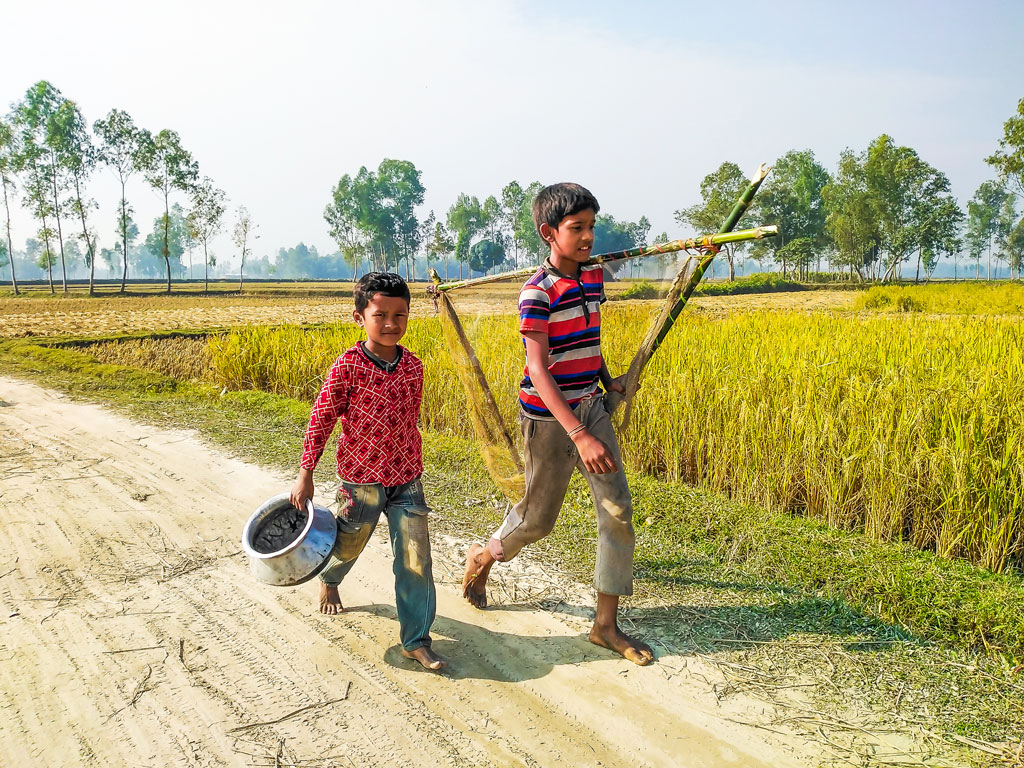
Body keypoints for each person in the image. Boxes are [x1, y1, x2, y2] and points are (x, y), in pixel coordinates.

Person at [461, 183, 654, 666]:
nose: (589, 237)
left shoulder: (592, 278)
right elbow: (540, 368)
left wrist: (609, 381)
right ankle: (484, 557)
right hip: (550, 420)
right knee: (537, 520)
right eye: (577, 228)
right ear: (550, 233)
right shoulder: (537, 293)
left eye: (592, 226)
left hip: (591, 406)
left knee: (617, 512)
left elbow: (586, 341)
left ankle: (604, 626)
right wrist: (579, 434)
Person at [290, 272, 446, 671]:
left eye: (400, 315)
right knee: (348, 543)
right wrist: (306, 472)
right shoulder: (346, 367)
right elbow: (321, 419)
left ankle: (416, 639)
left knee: (415, 558)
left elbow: (410, 420)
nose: (392, 324)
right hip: (361, 480)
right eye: (381, 315)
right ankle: (331, 579)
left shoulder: (413, 366)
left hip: (407, 477)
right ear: (359, 316)